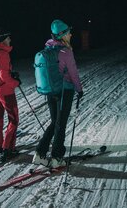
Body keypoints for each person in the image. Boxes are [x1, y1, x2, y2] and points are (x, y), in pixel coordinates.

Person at [32, 19, 83, 168]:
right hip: (64, 91)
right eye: (68, 32)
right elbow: (73, 74)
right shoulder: (65, 52)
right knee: (61, 124)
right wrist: (79, 90)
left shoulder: (48, 49)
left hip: (50, 92)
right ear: (62, 35)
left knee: (55, 122)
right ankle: (56, 157)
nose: (71, 34)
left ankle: (40, 154)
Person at [0, 28, 21, 162]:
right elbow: (4, 75)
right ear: (2, 39)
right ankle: (8, 149)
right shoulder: (2, 53)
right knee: (14, 119)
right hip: (5, 91)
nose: (10, 40)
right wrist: (15, 82)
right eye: (8, 38)